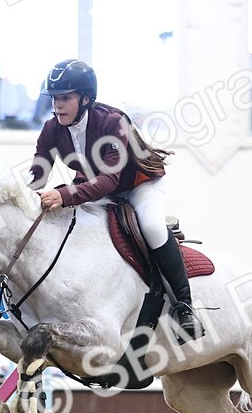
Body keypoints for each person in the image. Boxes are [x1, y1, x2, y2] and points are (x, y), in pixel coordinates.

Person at [29, 59, 204, 343]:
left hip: (138, 185)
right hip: (94, 187)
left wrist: (62, 195)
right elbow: (37, 175)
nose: (57, 105)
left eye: (65, 98)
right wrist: (21, 201)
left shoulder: (113, 123)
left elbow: (109, 182)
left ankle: (184, 307)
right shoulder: (52, 128)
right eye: (54, 98)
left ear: (85, 99)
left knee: (152, 227)